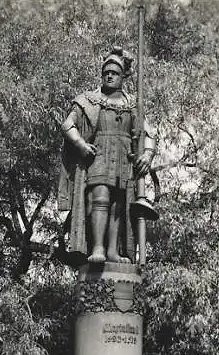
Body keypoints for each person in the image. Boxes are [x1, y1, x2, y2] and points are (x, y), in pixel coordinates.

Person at [57, 46, 156, 265]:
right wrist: (81, 144)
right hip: (98, 156)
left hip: (123, 160)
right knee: (100, 199)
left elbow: (149, 134)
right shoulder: (89, 100)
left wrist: (147, 155)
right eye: (106, 72)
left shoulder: (133, 105)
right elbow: (68, 125)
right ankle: (98, 248)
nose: (109, 75)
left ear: (123, 77)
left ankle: (112, 251)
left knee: (118, 205)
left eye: (114, 72)